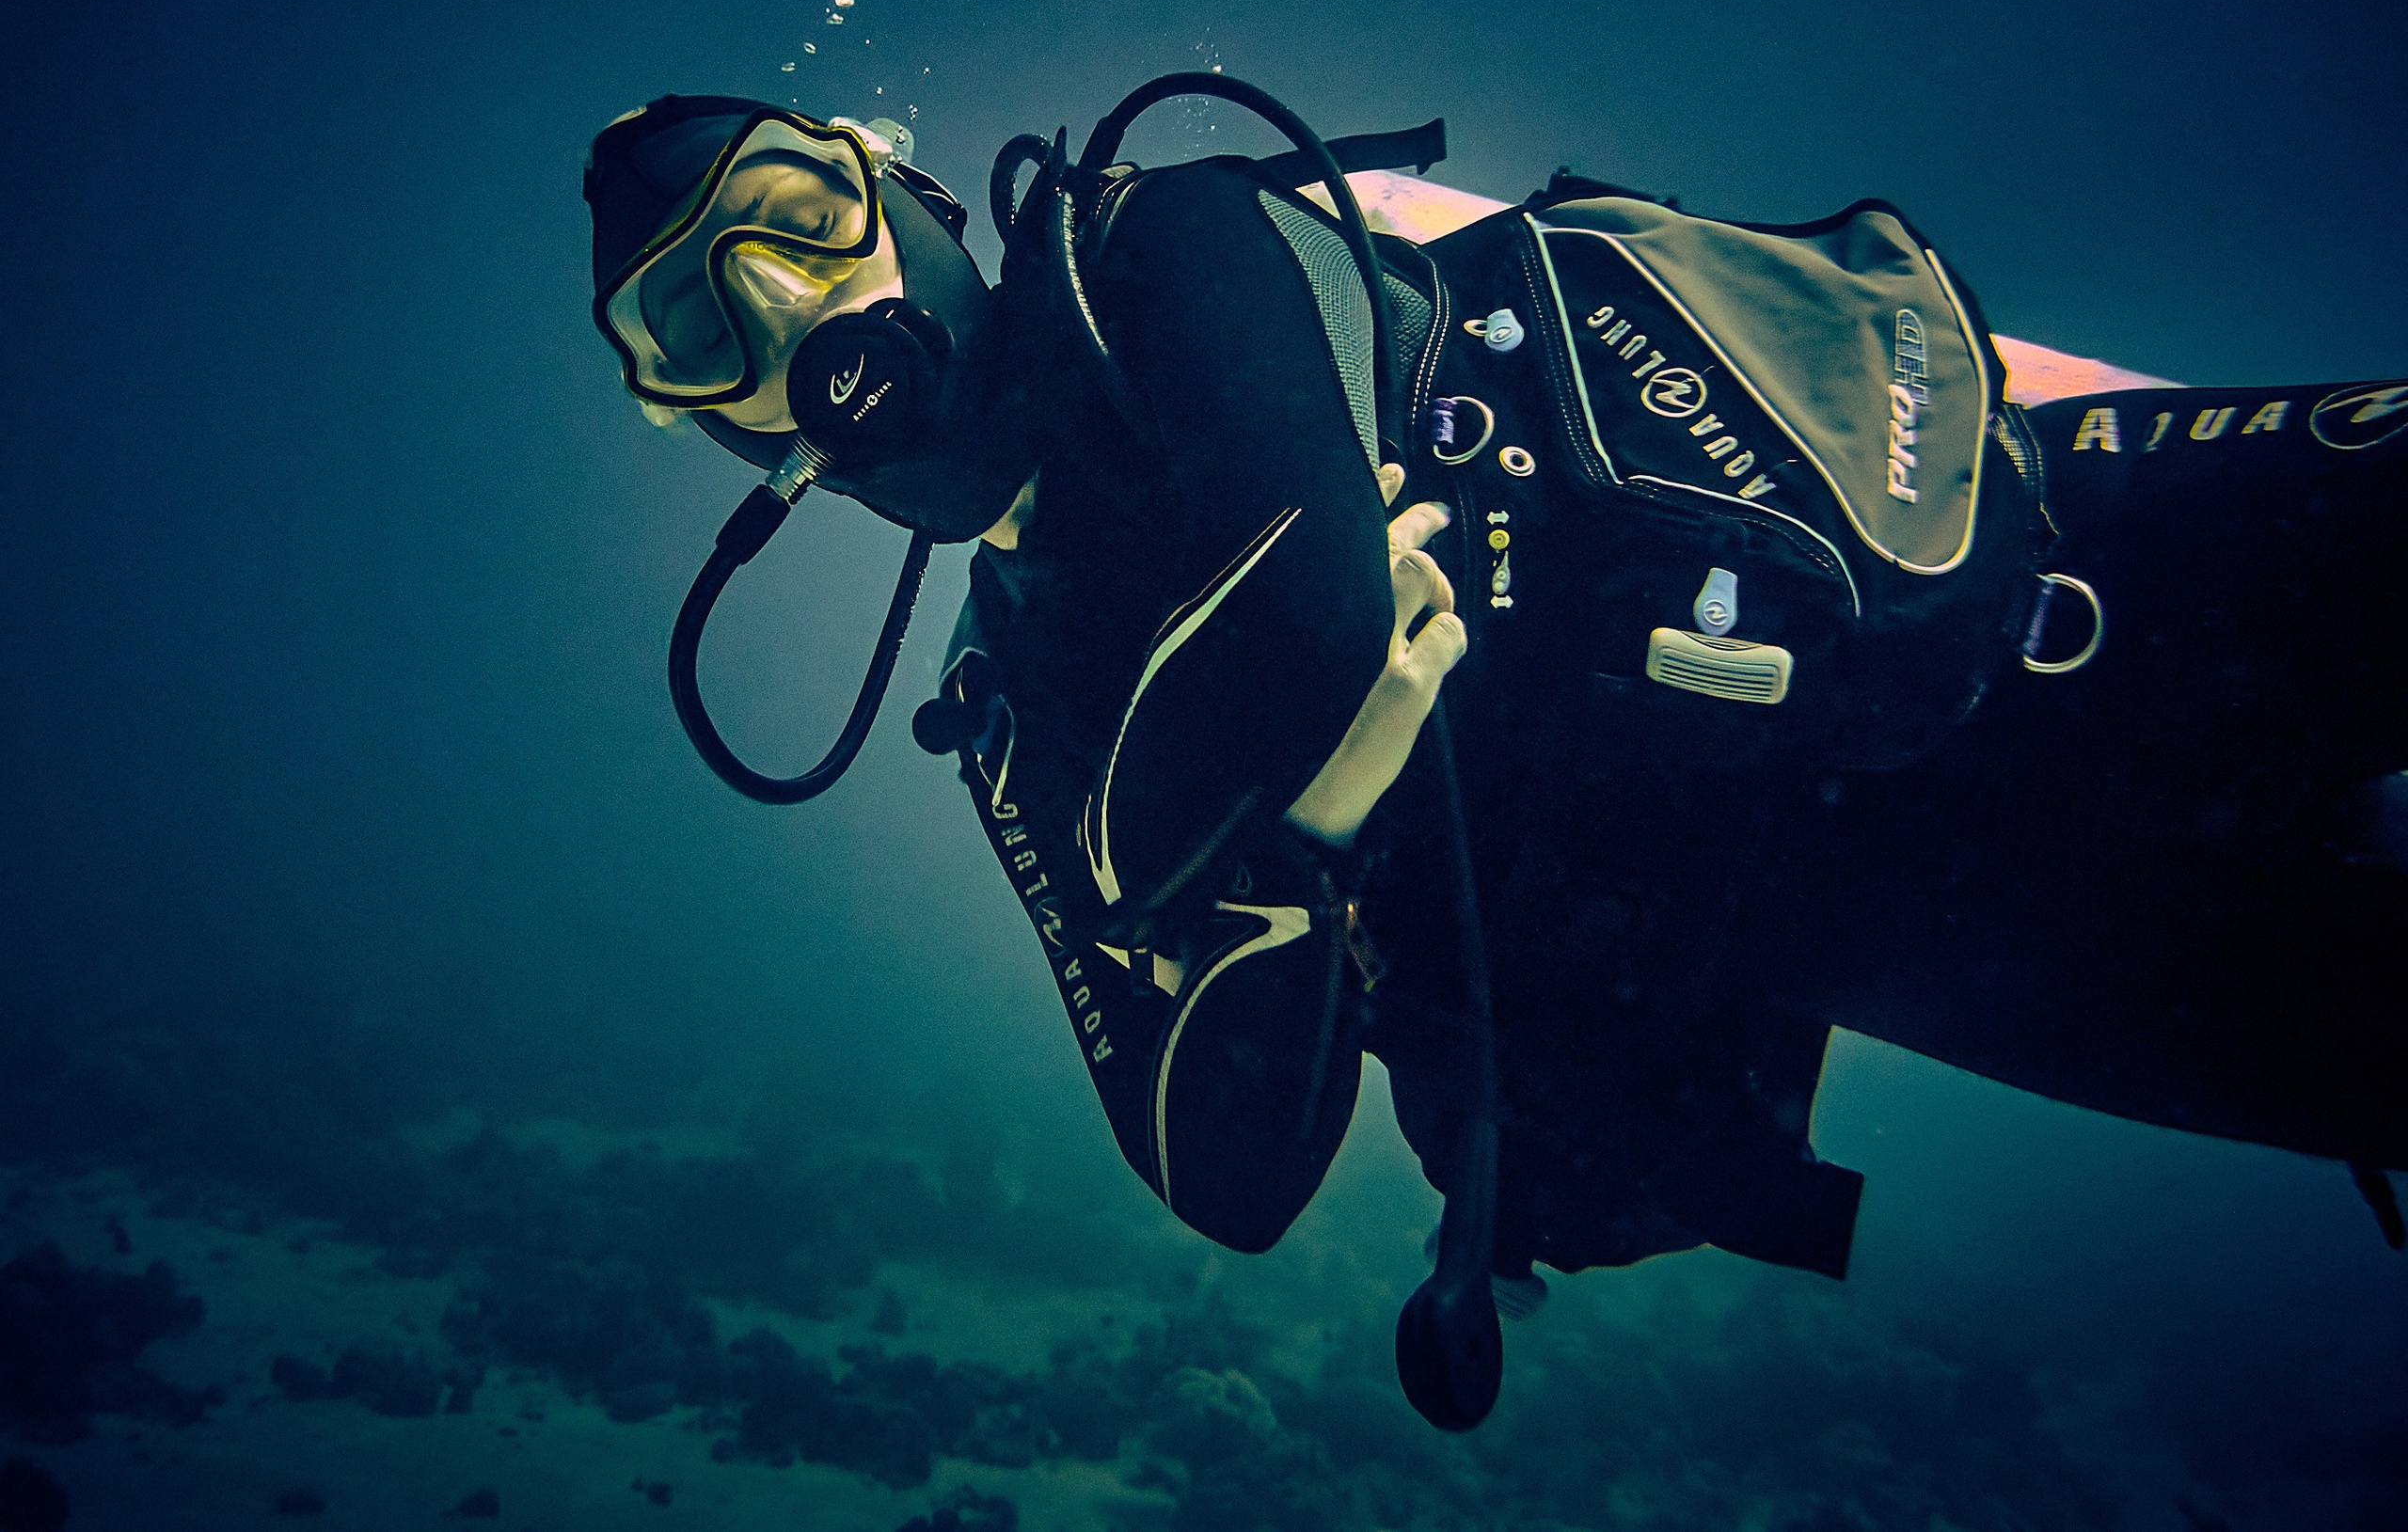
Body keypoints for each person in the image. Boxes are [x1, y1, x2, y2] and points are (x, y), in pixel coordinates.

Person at [584, 86, 2408, 1420]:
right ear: (713, 427)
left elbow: (1314, 616)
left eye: (797, 216)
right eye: (693, 327)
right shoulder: (1015, 697)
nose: (782, 306)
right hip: (1926, 926)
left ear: (899, 189)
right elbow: (1225, 1171)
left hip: (2074, 572)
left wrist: (1246, 861)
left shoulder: (1161, 241)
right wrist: (1301, 826)